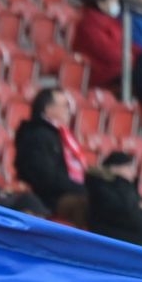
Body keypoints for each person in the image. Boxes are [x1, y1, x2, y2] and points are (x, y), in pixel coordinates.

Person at [14, 87, 88, 221]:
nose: (69, 110)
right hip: (48, 198)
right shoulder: (37, 136)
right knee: (95, 206)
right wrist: (81, 188)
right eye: (65, 105)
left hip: (65, 192)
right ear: (48, 109)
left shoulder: (58, 134)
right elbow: (47, 177)